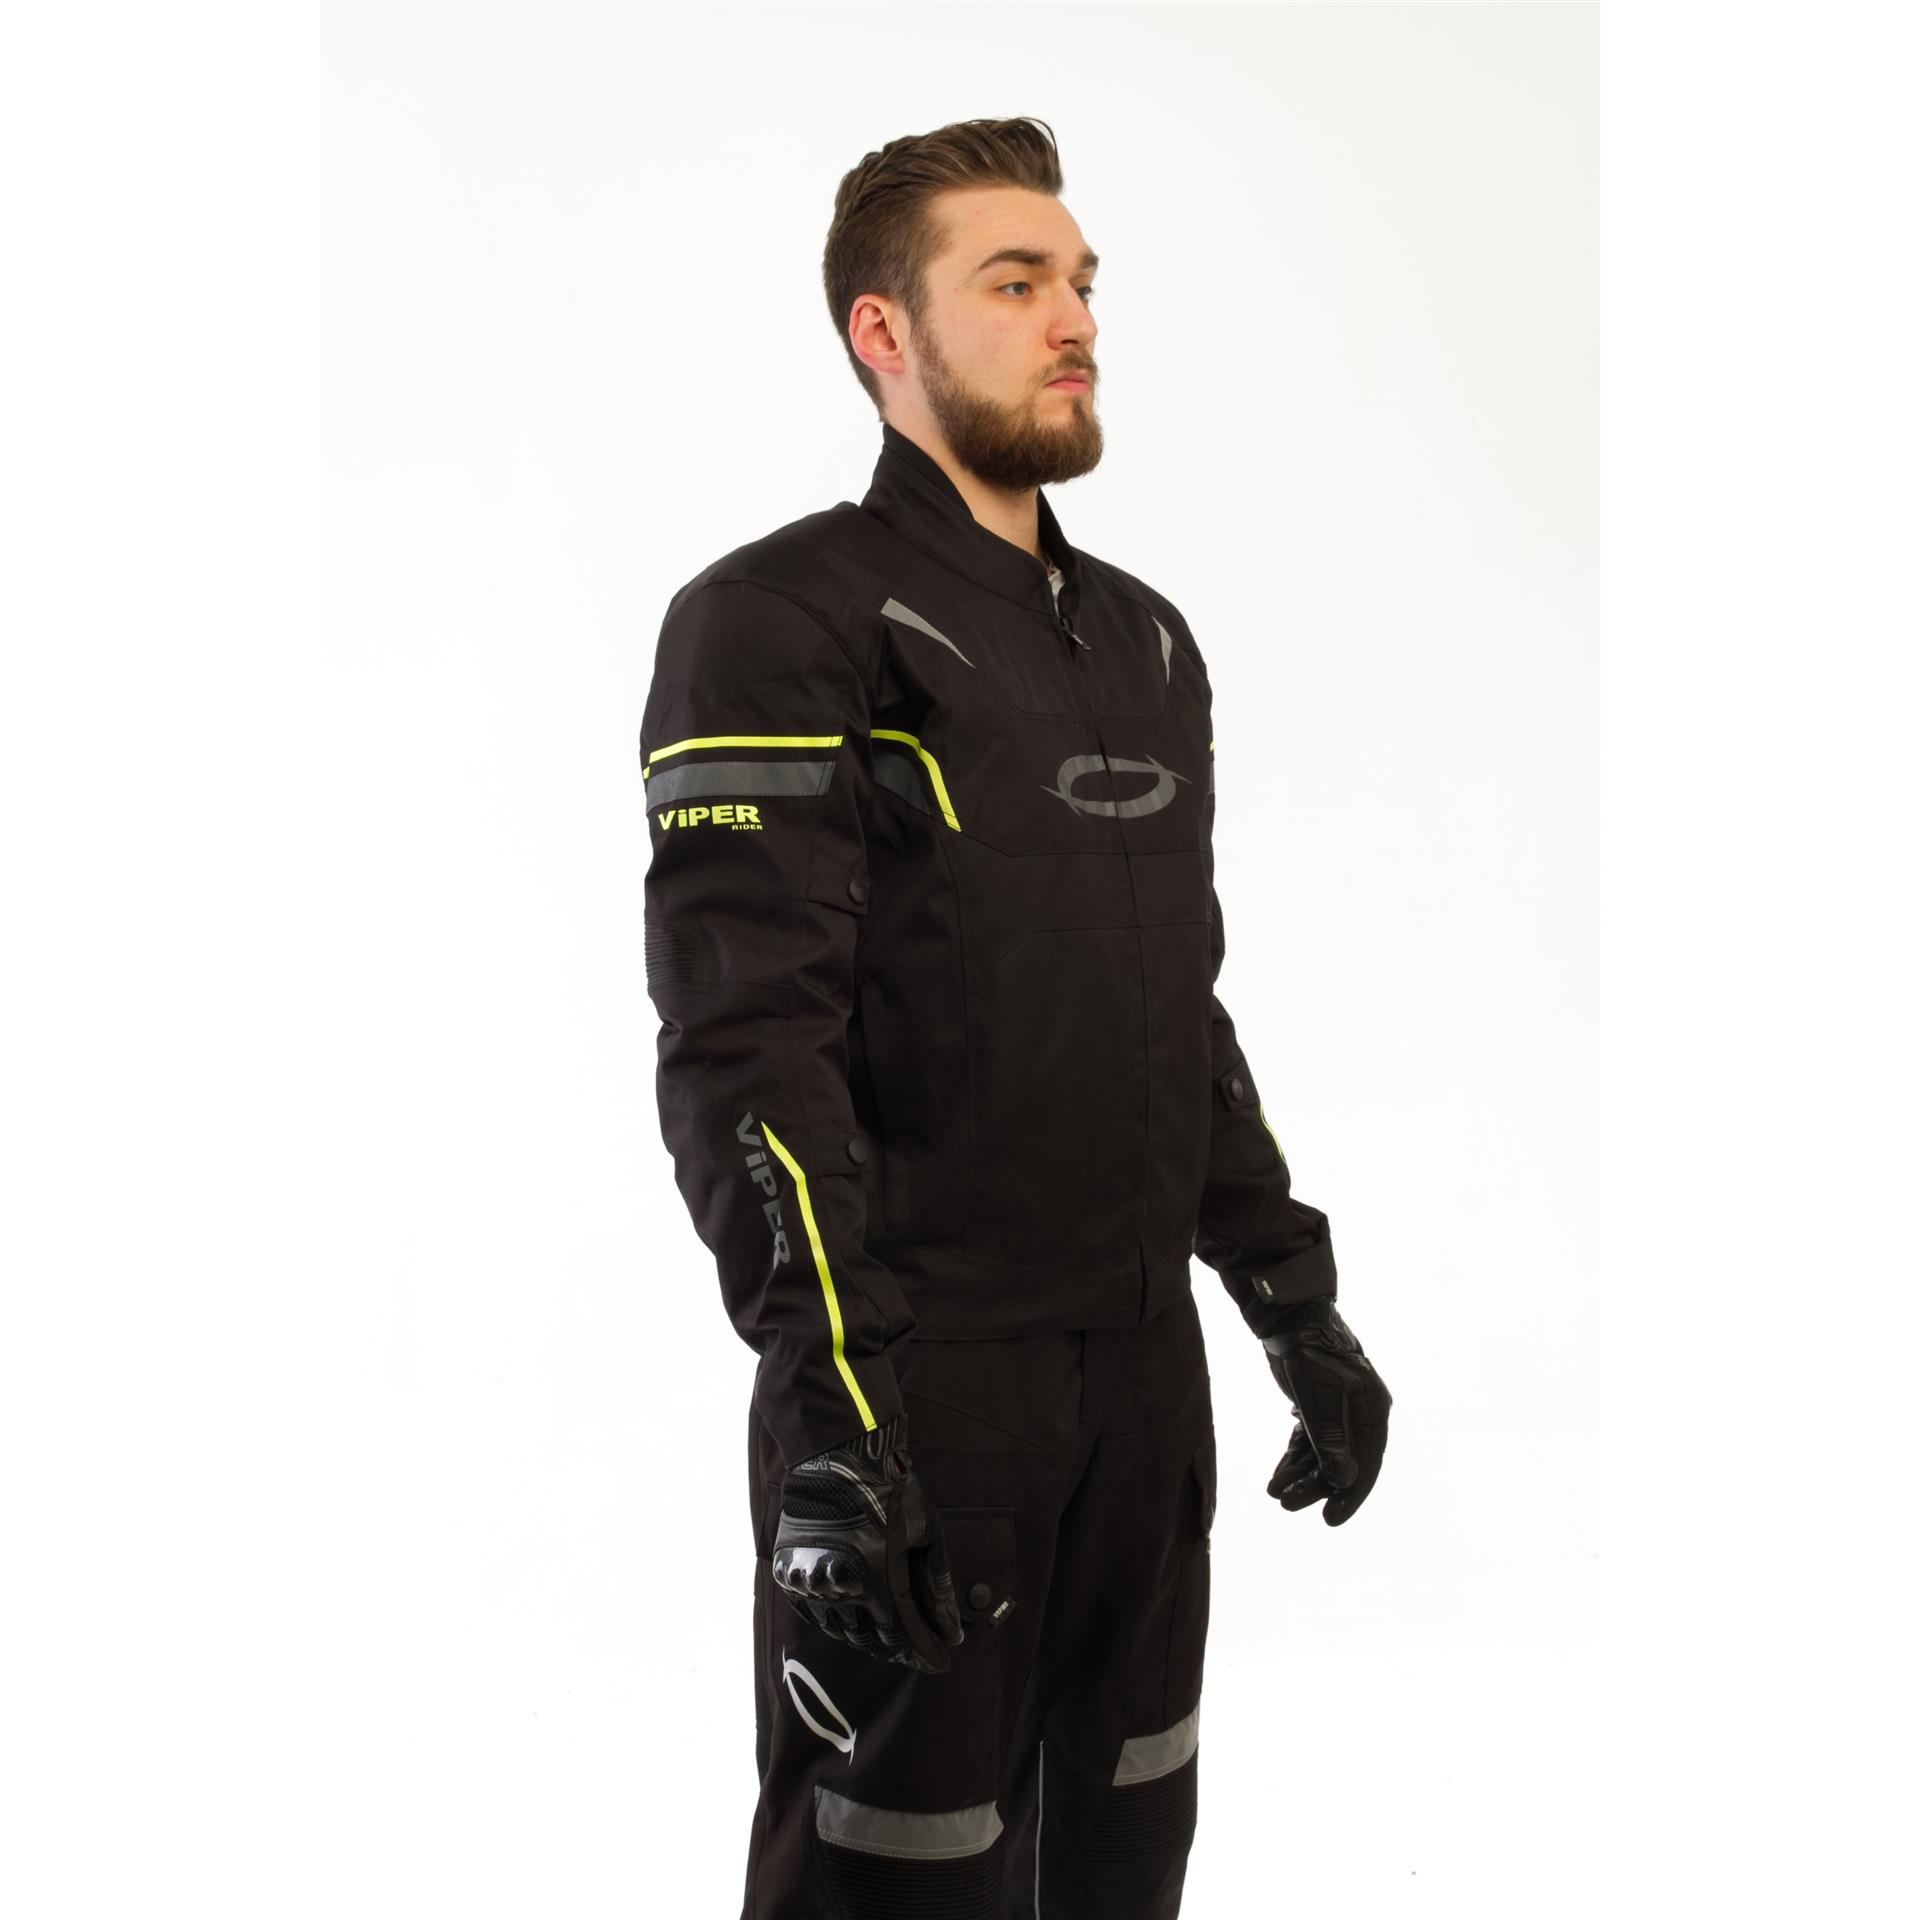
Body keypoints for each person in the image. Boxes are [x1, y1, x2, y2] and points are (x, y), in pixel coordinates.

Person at [639, 116, 1391, 1920]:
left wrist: (1291, 1300)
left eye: (1082, 283)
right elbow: (745, 1048)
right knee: (895, 1870)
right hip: (925, 1392)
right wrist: (835, 1404)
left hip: (1142, 1386)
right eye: (1015, 281)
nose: (1075, 320)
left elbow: (1174, 1005)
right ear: (882, 333)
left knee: (1124, 1840)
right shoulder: (776, 620)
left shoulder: (1144, 642)